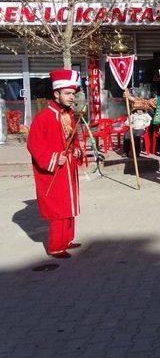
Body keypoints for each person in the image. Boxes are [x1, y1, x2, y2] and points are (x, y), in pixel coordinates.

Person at [27, 69, 83, 259]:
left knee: (69, 205)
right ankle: (55, 246)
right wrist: (52, 157)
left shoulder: (69, 115)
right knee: (59, 207)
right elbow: (34, 145)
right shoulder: (43, 117)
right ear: (56, 93)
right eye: (67, 93)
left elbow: (73, 139)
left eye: (73, 94)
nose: (71, 97)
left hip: (69, 168)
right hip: (54, 171)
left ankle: (67, 239)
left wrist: (76, 149)